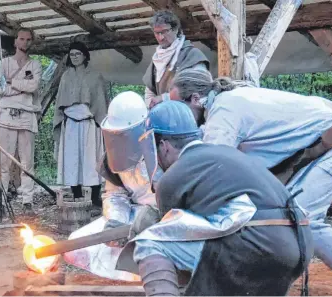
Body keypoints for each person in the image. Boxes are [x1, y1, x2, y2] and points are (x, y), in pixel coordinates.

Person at [124, 100, 313, 296]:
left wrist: (143, 226)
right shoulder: (227, 154)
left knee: (149, 244)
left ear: (163, 146)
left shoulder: (173, 177)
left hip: (259, 244)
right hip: (299, 243)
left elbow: (168, 232)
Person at [167, 67, 332, 273]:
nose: (177, 115)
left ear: (195, 99)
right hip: (325, 143)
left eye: (178, 106)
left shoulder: (224, 111)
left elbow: (210, 169)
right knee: (290, 213)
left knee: (305, 219)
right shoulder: (225, 103)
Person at [62, 91, 158, 281]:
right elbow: (115, 195)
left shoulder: (162, 148)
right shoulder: (112, 157)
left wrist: (147, 222)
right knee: (75, 246)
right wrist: (116, 222)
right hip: (130, 214)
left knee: (139, 261)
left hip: (159, 220)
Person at [53, 42, 108, 206]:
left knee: (92, 159)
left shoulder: (95, 76)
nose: (75, 57)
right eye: (72, 55)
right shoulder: (65, 76)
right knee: (72, 159)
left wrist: (101, 122)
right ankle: (76, 194)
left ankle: (95, 197)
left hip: (89, 123)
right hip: (70, 123)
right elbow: (60, 102)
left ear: (85, 55)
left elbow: (100, 102)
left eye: (78, 54)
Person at [0, 28, 42, 209]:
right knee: (4, 161)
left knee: (27, 162)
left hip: (27, 116)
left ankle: (27, 199)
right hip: (7, 115)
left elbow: (34, 86)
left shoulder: (35, 65)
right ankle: (3, 197)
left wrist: (12, 83)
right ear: (15, 42)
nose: (25, 43)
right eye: (22, 39)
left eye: (29, 39)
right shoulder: (4, 63)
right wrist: (22, 86)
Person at [143, 10, 209, 109]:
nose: (160, 37)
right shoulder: (156, 60)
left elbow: (198, 87)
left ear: (175, 29)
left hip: (189, 115)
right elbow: (149, 92)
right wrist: (153, 108)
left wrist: (165, 98)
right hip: (164, 117)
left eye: (165, 31)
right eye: (157, 33)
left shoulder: (192, 55)